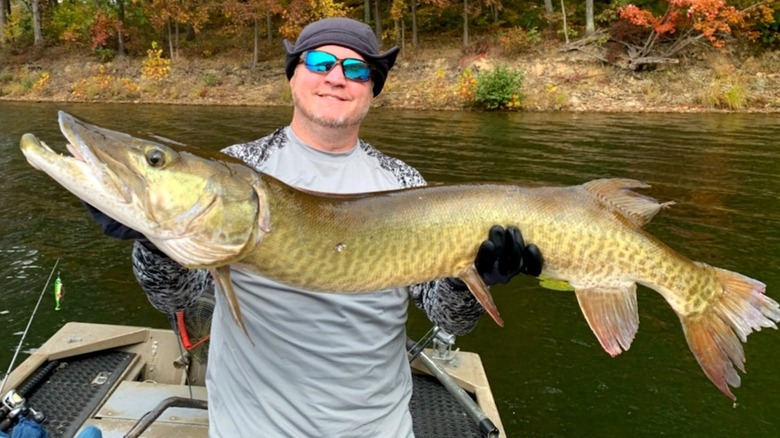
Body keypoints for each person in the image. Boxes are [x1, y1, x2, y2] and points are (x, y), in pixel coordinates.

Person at [89, 17, 542, 438]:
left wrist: (477, 278)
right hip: (252, 426)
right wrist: (153, 239)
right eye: (320, 62)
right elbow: (174, 297)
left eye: (356, 70)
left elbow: (448, 318)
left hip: (377, 426)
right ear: (294, 76)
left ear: (372, 90)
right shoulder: (240, 171)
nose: (336, 77)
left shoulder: (403, 184)